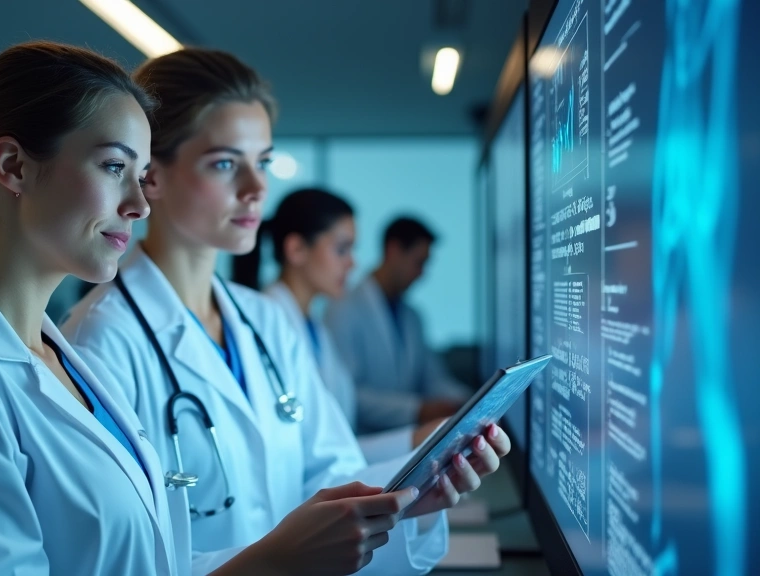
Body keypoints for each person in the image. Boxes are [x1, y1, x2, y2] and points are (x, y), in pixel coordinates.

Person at [0, 40, 415, 576]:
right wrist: (273, 564)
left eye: (139, 174)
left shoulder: (60, 359)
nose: (140, 203)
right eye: (113, 167)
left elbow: (149, 563)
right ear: (13, 166)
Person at [60, 47, 511, 576]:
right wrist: (274, 562)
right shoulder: (97, 345)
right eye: (225, 164)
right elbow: (116, 563)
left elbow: (330, 471)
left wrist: (415, 494)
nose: (257, 189)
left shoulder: (265, 322)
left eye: (263, 162)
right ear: (151, 175)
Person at [233, 188, 444, 464]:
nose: (352, 263)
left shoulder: (314, 326)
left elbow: (333, 443)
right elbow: (306, 457)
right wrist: (413, 440)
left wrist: (416, 439)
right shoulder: (267, 327)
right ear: (296, 249)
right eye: (342, 249)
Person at [326, 217, 470, 434]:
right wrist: (417, 410)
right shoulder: (343, 309)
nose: (422, 274)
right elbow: (347, 394)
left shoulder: (412, 317)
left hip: (406, 439)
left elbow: (433, 379)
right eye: (418, 262)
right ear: (393, 251)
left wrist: (470, 401)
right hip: (364, 440)